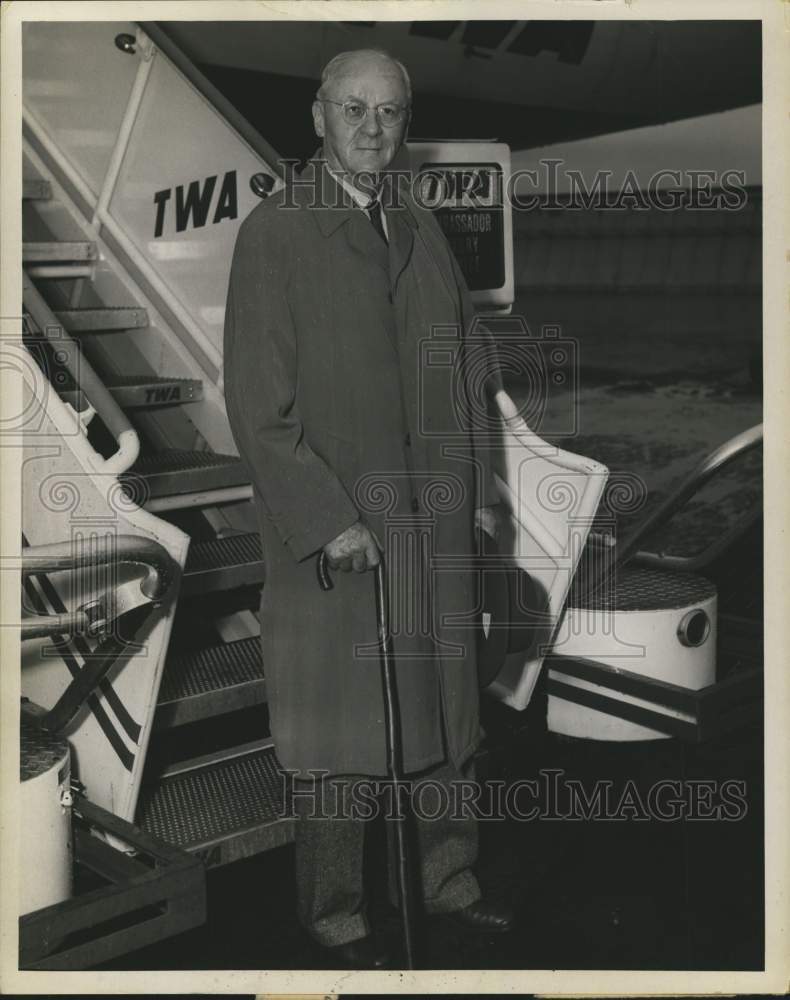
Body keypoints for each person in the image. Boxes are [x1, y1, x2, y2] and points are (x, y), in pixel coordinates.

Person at [223, 48, 511, 969]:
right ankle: (336, 914)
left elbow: (467, 373)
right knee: (340, 734)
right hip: (339, 536)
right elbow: (257, 410)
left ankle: (446, 884)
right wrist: (328, 519)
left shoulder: (420, 223)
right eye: (354, 110)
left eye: (389, 113)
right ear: (318, 117)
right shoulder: (276, 233)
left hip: (433, 523)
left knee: (445, 718)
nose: (372, 129)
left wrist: (478, 494)